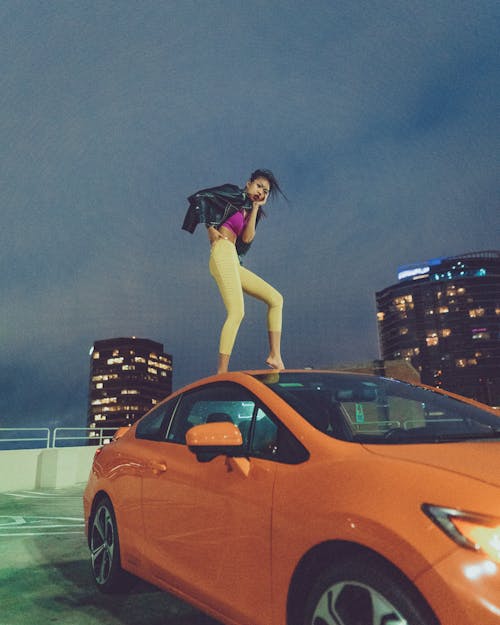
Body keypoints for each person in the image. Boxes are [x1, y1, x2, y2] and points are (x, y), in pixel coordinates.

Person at [182, 169, 286, 374]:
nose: (261, 192)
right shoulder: (232, 192)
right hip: (222, 251)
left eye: (265, 191)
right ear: (248, 183)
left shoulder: (251, 210)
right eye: (258, 186)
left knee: (276, 299)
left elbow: (246, 239)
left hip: (233, 260)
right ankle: (222, 371)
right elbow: (201, 198)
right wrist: (210, 228)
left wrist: (255, 207)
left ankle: (275, 355)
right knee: (237, 311)